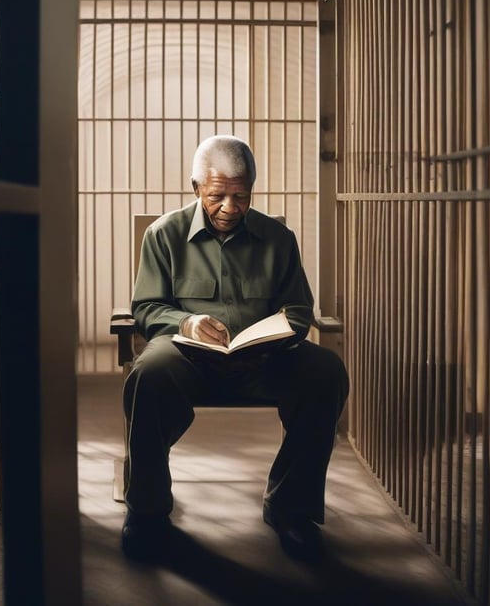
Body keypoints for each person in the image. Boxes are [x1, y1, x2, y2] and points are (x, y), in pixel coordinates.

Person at [121, 134, 349, 562]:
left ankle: (291, 510)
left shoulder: (278, 238)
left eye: (240, 196)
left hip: (264, 360)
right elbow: (147, 308)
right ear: (194, 188)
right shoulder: (163, 235)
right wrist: (187, 321)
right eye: (217, 196)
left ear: (252, 190)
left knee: (325, 371)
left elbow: (299, 308)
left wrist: (277, 335)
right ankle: (147, 511)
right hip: (187, 357)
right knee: (149, 374)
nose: (229, 207)